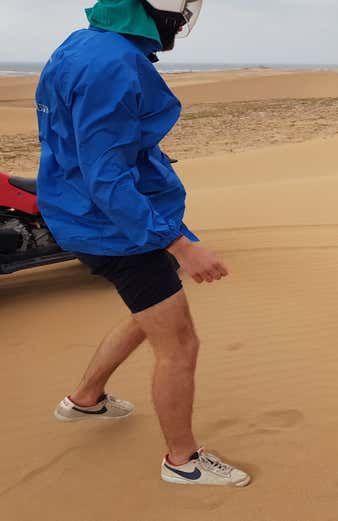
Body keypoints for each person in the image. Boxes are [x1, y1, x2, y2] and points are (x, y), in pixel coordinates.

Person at [36, 0, 250, 486]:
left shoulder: (82, 45)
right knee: (180, 344)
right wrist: (179, 244)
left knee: (147, 313)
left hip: (89, 214)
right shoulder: (112, 64)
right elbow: (106, 176)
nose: (182, 21)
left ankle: (86, 399)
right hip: (115, 229)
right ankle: (182, 461)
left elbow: (89, 146)